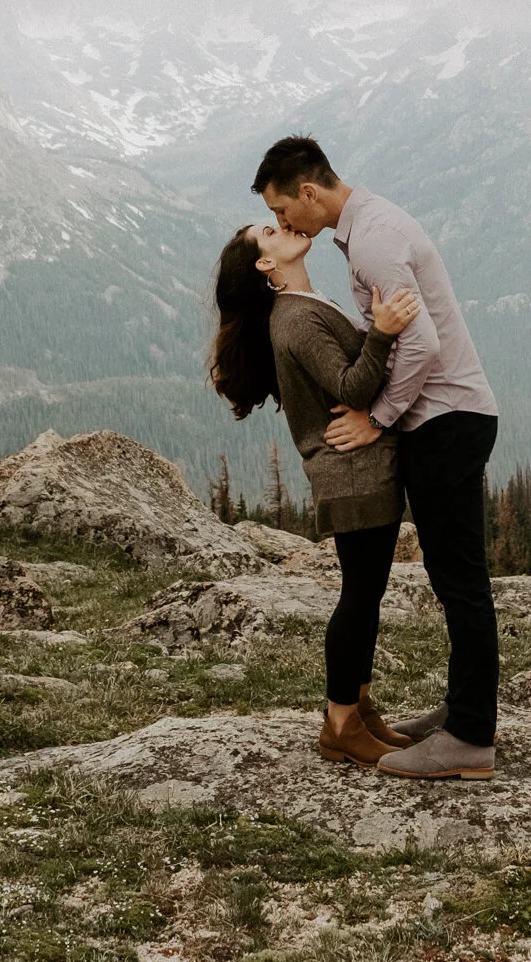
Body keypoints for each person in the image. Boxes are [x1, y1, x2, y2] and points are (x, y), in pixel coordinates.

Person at [255, 134, 501, 782]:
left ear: (310, 191)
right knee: (454, 580)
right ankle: (460, 711)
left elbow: (416, 342)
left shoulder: (371, 238)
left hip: (445, 419)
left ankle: (471, 736)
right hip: (445, 418)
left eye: (285, 212)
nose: (285, 224)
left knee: (461, 582)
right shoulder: (366, 229)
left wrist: (378, 417)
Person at [209, 220, 424, 766]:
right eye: (268, 230)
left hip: (359, 469)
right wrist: (381, 331)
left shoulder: (302, 305)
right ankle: (340, 723)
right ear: (264, 264)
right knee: (357, 598)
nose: (282, 226)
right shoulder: (297, 319)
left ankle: (361, 707)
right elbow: (352, 387)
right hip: (351, 471)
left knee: (367, 594)